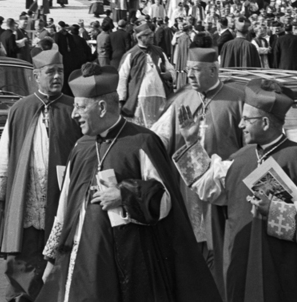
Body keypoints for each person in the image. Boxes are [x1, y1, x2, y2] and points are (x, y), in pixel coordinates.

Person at [37, 62, 220, 302]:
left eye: (80, 107)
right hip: (83, 258)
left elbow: (165, 202)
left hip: (131, 259)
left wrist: (125, 195)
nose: (74, 114)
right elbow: (65, 206)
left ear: (101, 107)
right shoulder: (81, 147)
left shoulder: (142, 142)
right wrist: (51, 257)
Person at [186, 78, 297, 302]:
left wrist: (273, 211)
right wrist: (191, 144)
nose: (240, 125)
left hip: (284, 274)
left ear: (264, 122)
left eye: (246, 119)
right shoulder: (241, 158)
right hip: (242, 266)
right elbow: (209, 189)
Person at [151, 47, 245, 296]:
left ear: (213, 70)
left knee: (222, 257)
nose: (189, 75)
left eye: (195, 70)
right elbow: (158, 139)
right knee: (190, 256)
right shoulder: (181, 99)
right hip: (186, 193)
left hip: (222, 194)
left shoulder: (236, 100)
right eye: (188, 69)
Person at [0, 50, 81, 302]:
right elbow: (5, 151)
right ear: (36, 76)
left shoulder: (74, 108)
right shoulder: (20, 109)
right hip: (26, 194)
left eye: (60, 71)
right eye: (50, 72)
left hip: (60, 194)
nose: (56, 77)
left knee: (58, 254)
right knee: (23, 255)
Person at [117, 22, 174, 127]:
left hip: (160, 94)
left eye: (151, 34)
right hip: (140, 97)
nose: (151, 36)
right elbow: (122, 77)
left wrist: (169, 75)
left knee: (159, 125)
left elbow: (170, 68)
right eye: (147, 35)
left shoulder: (159, 51)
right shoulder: (131, 54)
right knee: (141, 126)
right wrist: (121, 99)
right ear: (139, 37)